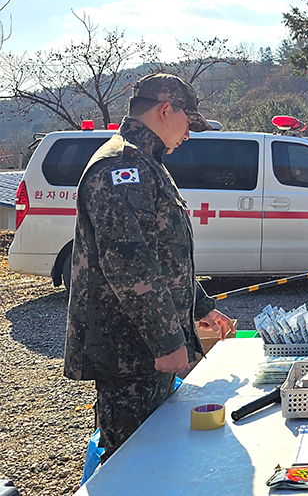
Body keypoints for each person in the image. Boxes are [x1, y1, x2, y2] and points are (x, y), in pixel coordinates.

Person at [64, 73, 236, 462]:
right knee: (134, 462)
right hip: (131, 352)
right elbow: (129, 266)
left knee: (162, 456)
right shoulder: (121, 166)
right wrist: (167, 341)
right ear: (164, 110)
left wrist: (200, 305)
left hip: (146, 350)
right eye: (188, 121)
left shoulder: (145, 162)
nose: (190, 133)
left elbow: (164, 256)